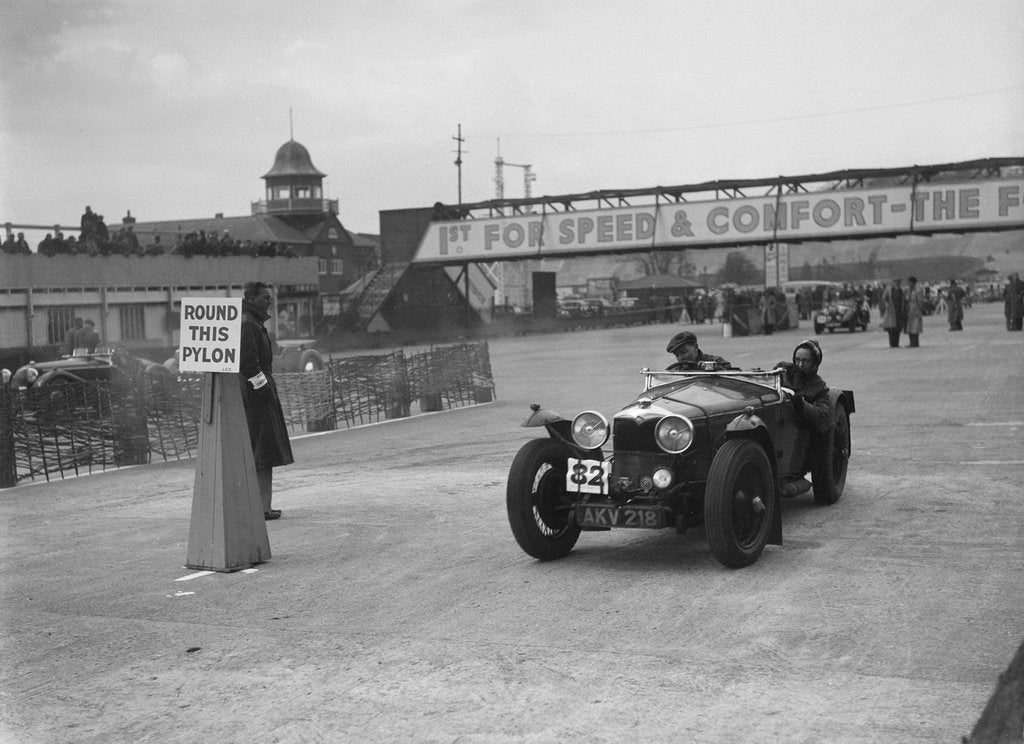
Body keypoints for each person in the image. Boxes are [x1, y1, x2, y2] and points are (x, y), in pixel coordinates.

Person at [239, 281, 294, 520]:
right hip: (257, 398)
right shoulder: (249, 325)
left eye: (269, 298)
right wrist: (265, 391)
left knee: (265, 452)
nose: (269, 301)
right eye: (264, 298)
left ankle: (264, 505)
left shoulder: (255, 324)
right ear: (251, 298)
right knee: (262, 452)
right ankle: (261, 507)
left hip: (260, 395)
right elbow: (249, 365)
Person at [775, 339, 831, 434]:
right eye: (797, 360)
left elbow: (822, 417)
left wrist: (801, 405)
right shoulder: (782, 371)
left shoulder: (819, 387)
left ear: (815, 363)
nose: (800, 365)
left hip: (797, 431)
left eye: (806, 361)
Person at [666, 330, 733, 371]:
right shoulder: (676, 371)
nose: (680, 358)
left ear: (696, 347)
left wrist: (714, 369)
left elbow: (731, 375)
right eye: (677, 355)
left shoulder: (716, 361)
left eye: (683, 352)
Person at [880, 277, 905, 348]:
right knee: (891, 328)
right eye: (896, 282)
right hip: (891, 311)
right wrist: (886, 304)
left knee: (898, 328)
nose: (897, 283)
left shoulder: (901, 290)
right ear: (893, 282)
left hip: (899, 311)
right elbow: (884, 298)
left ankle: (896, 343)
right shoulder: (889, 290)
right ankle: (892, 343)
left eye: (898, 282)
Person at [904, 276, 925, 348]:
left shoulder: (918, 290)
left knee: (915, 327)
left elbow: (920, 301)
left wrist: (921, 309)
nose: (908, 283)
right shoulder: (908, 290)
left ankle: (915, 342)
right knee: (909, 327)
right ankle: (911, 342)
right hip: (909, 310)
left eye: (909, 282)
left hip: (916, 310)